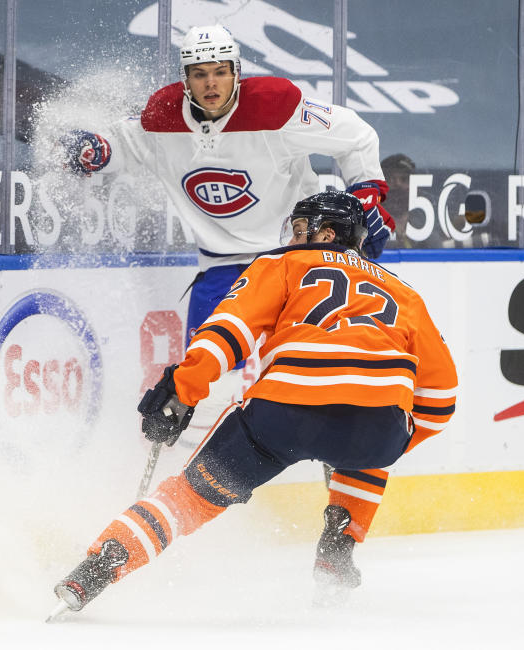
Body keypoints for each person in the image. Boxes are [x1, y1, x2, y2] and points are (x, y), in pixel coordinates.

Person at [59, 24, 397, 579]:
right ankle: (169, 515)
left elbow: (357, 137)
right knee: (196, 391)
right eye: (199, 73)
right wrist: (95, 152)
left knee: (337, 385)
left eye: (220, 71)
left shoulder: (278, 107)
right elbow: (122, 145)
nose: (211, 84)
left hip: (299, 260)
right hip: (221, 267)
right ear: (185, 77)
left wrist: (365, 193)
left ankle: (341, 528)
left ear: (236, 72)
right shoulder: (162, 119)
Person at [48, 191, 458, 619]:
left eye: (302, 231)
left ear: (328, 233)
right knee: (371, 423)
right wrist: (392, 440)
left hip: (282, 415)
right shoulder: (405, 294)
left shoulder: (281, 264)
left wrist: (180, 393)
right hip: (377, 432)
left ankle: (95, 570)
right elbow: (442, 398)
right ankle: (338, 547)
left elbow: (229, 332)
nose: (295, 239)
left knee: (190, 498)